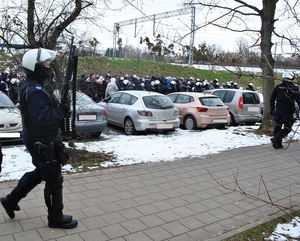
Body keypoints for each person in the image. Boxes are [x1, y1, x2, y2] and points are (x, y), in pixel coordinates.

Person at [0, 48, 78, 229]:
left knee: (41, 172)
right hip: (41, 140)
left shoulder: (33, 87)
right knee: (53, 179)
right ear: (35, 67)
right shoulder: (34, 91)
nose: (48, 67)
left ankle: (11, 200)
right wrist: (61, 111)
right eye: (45, 64)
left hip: (37, 137)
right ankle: (55, 218)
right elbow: (42, 120)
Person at [270, 71, 300, 149]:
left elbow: (272, 99)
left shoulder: (278, 87)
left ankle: (277, 144)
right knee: (288, 128)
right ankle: (276, 139)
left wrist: (272, 109)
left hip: (278, 110)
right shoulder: (294, 88)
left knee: (278, 126)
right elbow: (299, 100)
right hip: (288, 111)